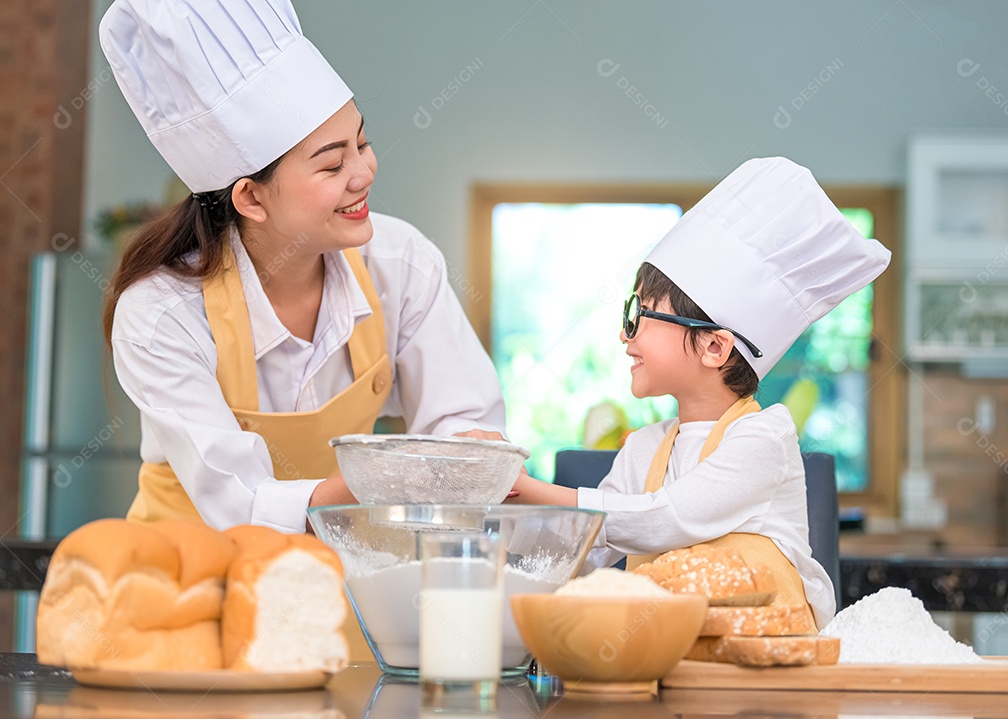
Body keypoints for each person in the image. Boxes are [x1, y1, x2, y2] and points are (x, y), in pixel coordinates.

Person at [99, 0, 506, 534]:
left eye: (361, 142)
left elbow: (463, 420)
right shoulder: (161, 313)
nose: (363, 174)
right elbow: (240, 505)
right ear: (250, 198)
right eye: (333, 164)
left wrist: (463, 451)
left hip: (319, 577)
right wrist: (397, 474)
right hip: (185, 584)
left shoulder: (400, 264)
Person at [510, 157, 891, 628]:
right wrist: (501, 500)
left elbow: (662, 520)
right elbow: (581, 552)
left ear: (713, 346)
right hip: (669, 667)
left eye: (642, 316)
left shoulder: (764, 438)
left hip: (769, 681)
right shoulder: (645, 448)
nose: (626, 336)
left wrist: (532, 490)